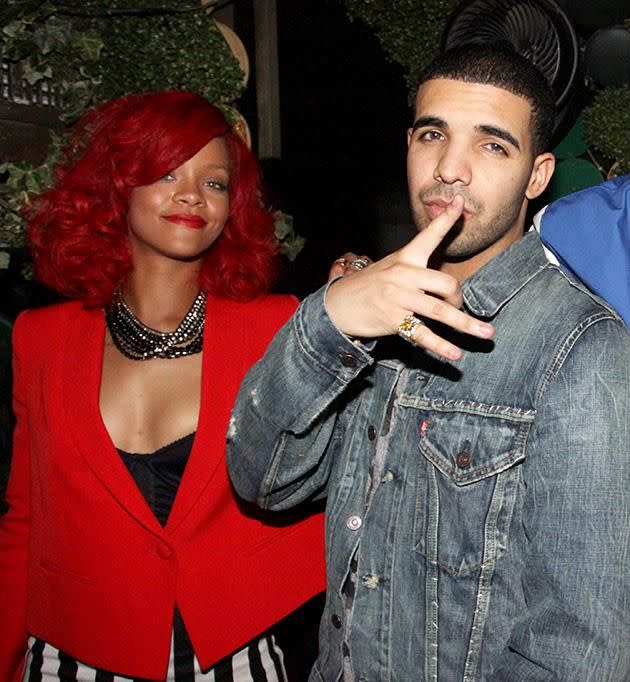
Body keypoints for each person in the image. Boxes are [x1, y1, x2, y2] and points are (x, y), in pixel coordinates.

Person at [226, 45, 630, 680]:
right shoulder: (363, 310)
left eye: (492, 145)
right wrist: (328, 321)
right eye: (433, 135)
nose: (451, 169)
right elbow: (264, 482)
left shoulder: (580, 348)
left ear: (537, 174)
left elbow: (580, 651)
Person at [0, 91, 326, 681]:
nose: (191, 195)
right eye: (165, 171)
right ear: (115, 187)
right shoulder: (39, 339)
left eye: (216, 182)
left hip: (235, 655)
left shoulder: (278, 327)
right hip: (69, 658)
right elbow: (25, 519)